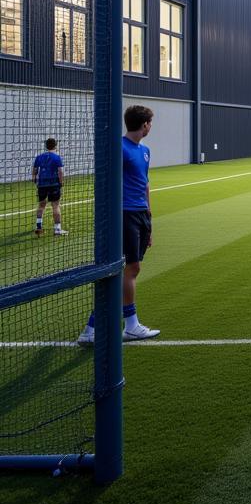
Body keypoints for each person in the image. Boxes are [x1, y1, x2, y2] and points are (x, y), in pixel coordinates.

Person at [78, 105, 160, 345]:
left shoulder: (144, 151)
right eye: (150, 123)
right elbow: (107, 181)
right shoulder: (120, 148)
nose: (150, 127)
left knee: (130, 269)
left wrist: (150, 222)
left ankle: (96, 327)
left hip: (140, 215)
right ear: (144, 124)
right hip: (124, 215)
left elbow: (145, 185)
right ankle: (127, 326)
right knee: (128, 269)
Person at [32, 137, 66, 237]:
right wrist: (61, 182)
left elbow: (34, 171)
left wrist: (35, 180)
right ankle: (57, 230)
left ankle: (39, 227)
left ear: (46, 146)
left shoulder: (39, 157)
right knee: (55, 206)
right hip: (54, 184)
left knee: (41, 205)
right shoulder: (57, 157)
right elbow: (60, 172)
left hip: (42, 184)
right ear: (55, 146)